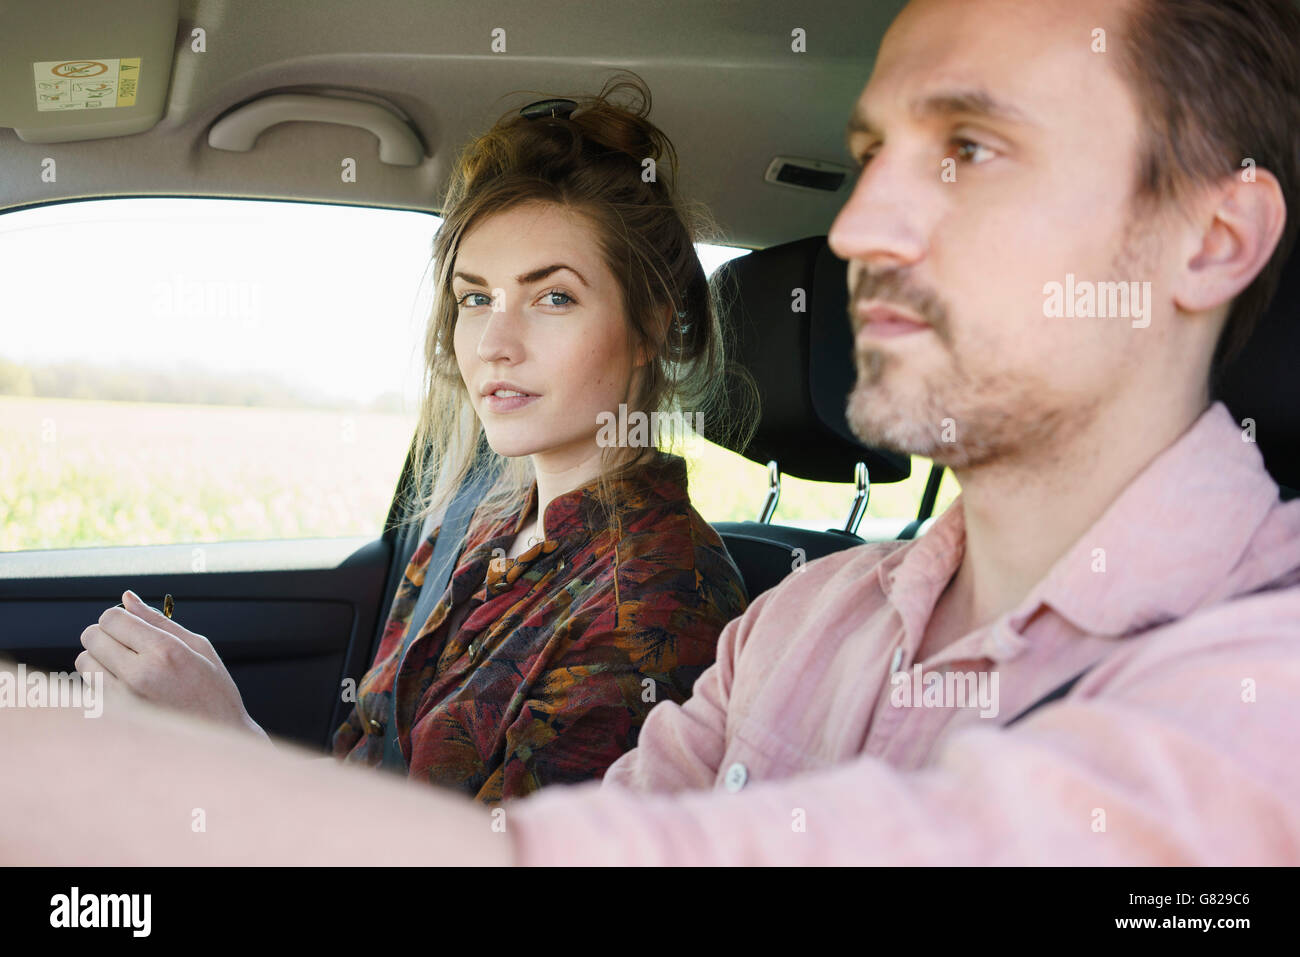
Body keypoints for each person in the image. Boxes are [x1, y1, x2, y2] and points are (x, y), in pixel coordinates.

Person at [3, 0, 1300, 865]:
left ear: (1214, 237)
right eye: (870, 157)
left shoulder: (1264, 678)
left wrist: (146, 768)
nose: (853, 230)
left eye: (969, 147)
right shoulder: (798, 623)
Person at [66, 75, 754, 804]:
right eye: (475, 298)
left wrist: (230, 745)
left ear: (649, 325)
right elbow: (364, 763)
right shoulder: (483, 522)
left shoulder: (656, 604)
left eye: (553, 297)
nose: (494, 342)